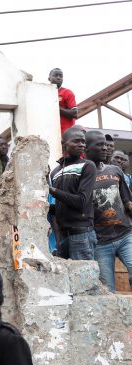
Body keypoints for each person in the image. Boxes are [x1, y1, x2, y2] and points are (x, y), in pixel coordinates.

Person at [86, 130, 132, 292]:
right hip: (100, 242)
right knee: (107, 290)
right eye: (100, 145)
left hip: (125, 235)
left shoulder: (115, 170)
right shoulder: (82, 175)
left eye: (106, 145)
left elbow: (127, 201)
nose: (105, 148)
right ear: (87, 148)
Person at [49, 127, 97, 260]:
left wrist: (52, 191)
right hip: (62, 236)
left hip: (81, 234)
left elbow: (81, 202)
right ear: (64, 143)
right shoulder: (55, 172)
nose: (82, 144)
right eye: (76, 141)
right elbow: (59, 206)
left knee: (83, 275)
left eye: (83, 141)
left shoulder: (88, 166)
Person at [49, 68, 78, 134]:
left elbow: (74, 113)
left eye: (61, 76)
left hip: (66, 133)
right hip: (50, 132)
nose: (58, 77)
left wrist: (56, 107)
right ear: (49, 78)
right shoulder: (44, 93)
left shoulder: (67, 92)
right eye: (56, 75)